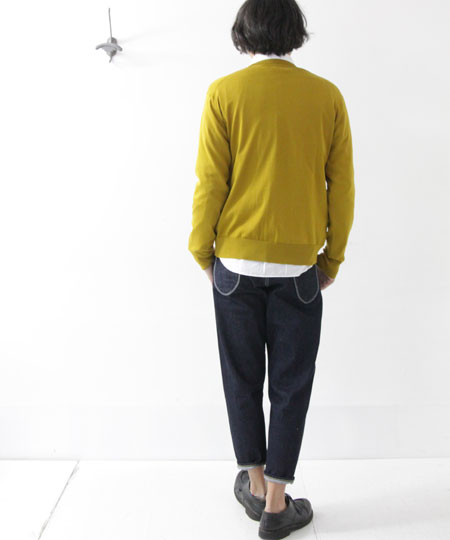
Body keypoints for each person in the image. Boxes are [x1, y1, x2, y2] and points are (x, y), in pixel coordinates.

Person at [188, 0, 355, 537]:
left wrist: (202, 249)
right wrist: (332, 257)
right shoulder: (326, 96)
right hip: (299, 268)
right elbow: (341, 187)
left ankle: (255, 485)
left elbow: (211, 181)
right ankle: (278, 504)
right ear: (295, 33)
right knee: (291, 384)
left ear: (244, 33)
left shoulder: (224, 93)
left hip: (234, 265)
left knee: (241, 379)